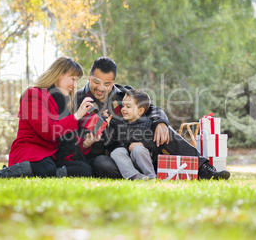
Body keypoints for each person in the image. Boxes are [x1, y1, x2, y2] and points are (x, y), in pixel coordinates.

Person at [75, 57, 230, 180]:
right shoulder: (77, 100)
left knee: (163, 131)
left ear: (113, 82)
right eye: (96, 82)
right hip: (112, 152)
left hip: (142, 148)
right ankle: (146, 175)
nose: (101, 88)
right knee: (102, 164)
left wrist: (161, 122)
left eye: (107, 84)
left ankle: (202, 167)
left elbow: (152, 108)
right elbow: (76, 136)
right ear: (90, 76)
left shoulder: (125, 92)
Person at [0, 57, 100, 178]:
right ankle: (0, 174)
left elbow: (65, 136)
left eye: (77, 80)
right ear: (59, 74)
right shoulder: (34, 94)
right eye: (73, 79)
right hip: (31, 153)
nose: (75, 85)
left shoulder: (62, 103)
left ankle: (49, 174)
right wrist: (76, 115)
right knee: (46, 167)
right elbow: (48, 131)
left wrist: (85, 144)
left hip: (50, 157)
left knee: (85, 169)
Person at [106, 89, 157, 180]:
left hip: (142, 161)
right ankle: (134, 176)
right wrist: (107, 127)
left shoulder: (147, 123)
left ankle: (151, 177)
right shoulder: (117, 121)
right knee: (116, 152)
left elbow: (153, 141)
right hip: (124, 163)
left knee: (138, 149)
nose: (123, 109)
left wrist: (143, 144)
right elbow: (110, 141)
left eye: (128, 107)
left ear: (140, 111)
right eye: (123, 105)